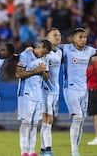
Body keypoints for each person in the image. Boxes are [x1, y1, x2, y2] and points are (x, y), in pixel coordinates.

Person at [60, 28, 97, 156]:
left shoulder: (89, 50)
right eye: (80, 37)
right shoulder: (66, 48)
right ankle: (73, 150)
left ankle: (76, 150)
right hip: (70, 88)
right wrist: (32, 49)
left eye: (85, 37)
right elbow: (51, 47)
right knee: (77, 118)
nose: (83, 39)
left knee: (81, 120)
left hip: (84, 89)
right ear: (74, 38)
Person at [16, 40, 52, 156]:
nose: (44, 55)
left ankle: (31, 151)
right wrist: (36, 70)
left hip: (38, 95)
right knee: (26, 123)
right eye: (44, 52)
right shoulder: (25, 55)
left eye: (46, 54)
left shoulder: (43, 59)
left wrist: (42, 72)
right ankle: (24, 151)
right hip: (26, 94)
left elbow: (46, 78)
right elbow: (18, 74)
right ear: (39, 46)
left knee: (35, 124)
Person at [40, 28, 62, 156]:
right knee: (47, 120)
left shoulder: (59, 52)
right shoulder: (45, 53)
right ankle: (47, 149)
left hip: (55, 91)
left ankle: (43, 150)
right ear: (47, 38)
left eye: (59, 35)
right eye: (54, 35)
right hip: (45, 91)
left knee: (49, 121)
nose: (57, 37)